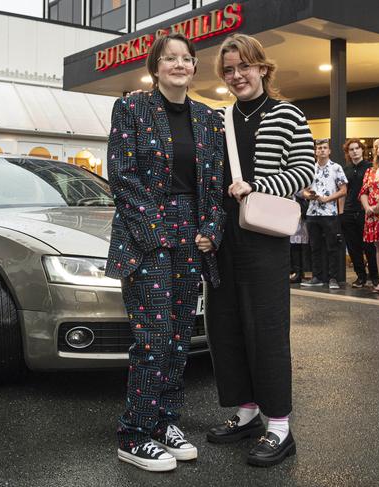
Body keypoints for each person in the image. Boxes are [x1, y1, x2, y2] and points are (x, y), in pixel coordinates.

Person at [105, 32, 225, 472]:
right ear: (156, 68)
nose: (178, 64)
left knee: (178, 339)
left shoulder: (210, 119)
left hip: (191, 233)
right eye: (169, 58)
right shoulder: (131, 108)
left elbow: (213, 186)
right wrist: (154, 233)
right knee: (153, 338)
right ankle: (134, 432)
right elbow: (121, 175)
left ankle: (164, 423)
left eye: (186, 58)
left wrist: (211, 228)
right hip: (147, 234)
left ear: (194, 68)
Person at [205, 33, 315, 467]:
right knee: (225, 325)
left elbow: (303, 169)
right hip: (225, 237)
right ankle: (248, 412)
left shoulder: (288, 114)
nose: (236, 76)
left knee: (267, 329)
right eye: (228, 70)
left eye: (243, 67)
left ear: (263, 68)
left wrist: (258, 187)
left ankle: (280, 427)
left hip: (266, 234)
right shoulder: (220, 119)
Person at [300, 139, 347, 289]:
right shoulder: (310, 168)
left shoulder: (336, 168)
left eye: (324, 148)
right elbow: (303, 190)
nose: (321, 150)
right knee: (314, 246)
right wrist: (308, 195)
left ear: (329, 151)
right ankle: (317, 277)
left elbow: (343, 190)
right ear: (315, 151)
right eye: (319, 148)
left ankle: (333, 278)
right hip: (312, 212)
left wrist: (327, 198)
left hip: (329, 213)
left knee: (332, 246)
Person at [340, 139, 378, 288]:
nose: (354, 151)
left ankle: (375, 277)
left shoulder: (371, 168)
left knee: (369, 247)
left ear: (362, 150)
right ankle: (360, 277)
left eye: (357, 148)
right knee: (353, 247)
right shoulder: (345, 169)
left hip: (365, 212)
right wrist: (341, 213)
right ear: (348, 153)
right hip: (349, 212)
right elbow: (343, 192)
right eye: (351, 149)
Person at [360, 139, 379, 293]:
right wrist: (367, 207)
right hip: (371, 214)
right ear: (377, 151)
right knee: (377, 247)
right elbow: (363, 191)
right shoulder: (370, 171)